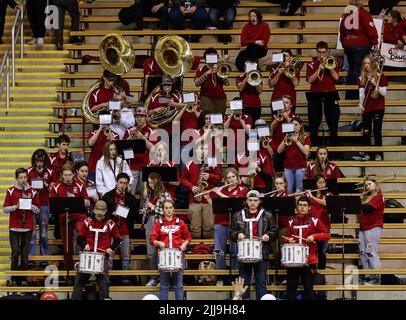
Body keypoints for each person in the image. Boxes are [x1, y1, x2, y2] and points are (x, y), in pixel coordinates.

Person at [229, 190, 277, 300]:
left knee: (261, 283)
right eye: (250, 200)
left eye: (255, 200)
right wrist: (237, 234)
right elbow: (231, 232)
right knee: (244, 284)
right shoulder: (238, 215)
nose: (253, 203)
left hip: (262, 253)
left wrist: (268, 235)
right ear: (246, 201)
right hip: (244, 254)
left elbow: (274, 231)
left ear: (260, 201)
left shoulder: (267, 215)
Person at [72, 200, 121, 300]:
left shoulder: (110, 224)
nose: (99, 216)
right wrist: (85, 245)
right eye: (97, 213)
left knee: (103, 284)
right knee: (79, 282)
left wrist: (111, 248)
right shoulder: (87, 221)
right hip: (88, 256)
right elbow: (79, 238)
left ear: (106, 211)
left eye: (101, 214)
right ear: (94, 210)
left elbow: (117, 239)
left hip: (102, 257)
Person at [284, 196, 330, 300]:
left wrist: (314, 236)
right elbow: (286, 236)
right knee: (291, 290)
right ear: (297, 207)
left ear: (309, 207)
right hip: (293, 261)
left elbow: (327, 235)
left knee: (308, 291)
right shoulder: (291, 221)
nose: (302, 207)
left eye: (305, 205)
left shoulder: (315, 221)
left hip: (309, 260)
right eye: (300, 205)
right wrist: (288, 240)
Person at [210, 168, 248, 285]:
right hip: (220, 222)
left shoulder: (243, 189)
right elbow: (212, 203)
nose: (231, 179)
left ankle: (235, 276)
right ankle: (220, 276)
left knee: (235, 251)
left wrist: (219, 193)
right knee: (219, 251)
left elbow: (234, 201)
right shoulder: (222, 189)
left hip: (235, 225)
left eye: (233, 177)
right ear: (225, 180)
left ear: (237, 177)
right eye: (229, 178)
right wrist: (215, 193)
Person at [50, 164, 90, 271]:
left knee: (83, 236)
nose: (68, 177)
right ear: (62, 176)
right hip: (65, 218)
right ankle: (70, 271)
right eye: (65, 175)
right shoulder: (56, 187)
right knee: (67, 247)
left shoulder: (80, 185)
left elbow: (87, 203)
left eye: (70, 175)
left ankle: (85, 266)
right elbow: (53, 205)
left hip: (78, 217)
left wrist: (76, 199)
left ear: (74, 175)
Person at [3, 168, 40, 285]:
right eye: (21, 178)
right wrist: (15, 206)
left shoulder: (32, 191)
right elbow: (5, 209)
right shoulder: (10, 190)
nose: (23, 180)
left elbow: (38, 210)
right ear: (16, 178)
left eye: (25, 177)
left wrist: (30, 206)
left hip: (27, 226)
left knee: (24, 253)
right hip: (14, 226)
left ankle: (23, 278)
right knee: (15, 252)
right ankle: (14, 278)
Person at [151, 199, 191, 300]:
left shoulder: (180, 222)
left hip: (178, 255)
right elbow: (152, 239)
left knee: (178, 284)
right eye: (166, 208)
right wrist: (158, 243)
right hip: (164, 256)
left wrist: (184, 245)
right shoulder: (158, 223)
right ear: (163, 210)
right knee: (164, 285)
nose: (168, 210)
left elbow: (188, 237)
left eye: (170, 208)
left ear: (173, 209)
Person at [102, 173, 138, 285]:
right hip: (111, 231)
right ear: (116, 183)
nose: (123, 185)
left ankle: (125, 278)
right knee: (109, 256)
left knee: (126, 256)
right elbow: (102, 213)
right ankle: (107, 278)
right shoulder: (107, 196)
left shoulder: (131, 199)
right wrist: (111, 214)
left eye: (125, 183)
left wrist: (124, 212)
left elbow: (135, 215)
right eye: (121, 183)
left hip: (125, 230)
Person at [181, 143, 221, 239]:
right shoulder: (189, 163)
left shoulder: (213, 162)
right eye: (201, 148)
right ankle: (195, 250)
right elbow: (183, 179)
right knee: (195, 228)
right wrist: (191, 187)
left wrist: (209, 176)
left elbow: (219, 178)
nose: (204, 151)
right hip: (194, 199)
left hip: (209, 200)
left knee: (210, 227)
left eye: (206, 148)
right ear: (196, 150)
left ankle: (210, 249)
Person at [340, 0, 378, 99]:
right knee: (358, 69)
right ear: (359, 4)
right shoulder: (363, 13)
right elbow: (370, 29)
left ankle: (349, 95)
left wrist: (345, 44)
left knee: (351, 69)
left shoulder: (346, 15)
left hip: (348, 44)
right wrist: (375, 43)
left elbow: (342, 31)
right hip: (361, 45)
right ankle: (357, 95)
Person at [306, 41, 340, 146]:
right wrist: (319, 69)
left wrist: (329, 68)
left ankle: (334, 152)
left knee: (333, 125)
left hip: (330, 94)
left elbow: (337, 78)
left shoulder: (332, 62)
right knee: (314, 126)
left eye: (324, 52)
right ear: (317, 51)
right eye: (320, 52)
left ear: (327, 52)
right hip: (315, 96)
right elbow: (310, 80)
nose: (322, 54)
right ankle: (314, 150)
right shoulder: (311, 64)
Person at [142, 172, 173, 287]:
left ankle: (163, 278)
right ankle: (153, 278)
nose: (149, 185)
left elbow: (168, 212)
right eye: (148, 183)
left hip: (162, 223)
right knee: (151, 252)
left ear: (156, 182)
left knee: (162, 251)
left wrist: (154, 208)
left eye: (151, 182)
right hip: (151, 222)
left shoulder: (166, 194)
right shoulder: (150, 194)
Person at [27, 149, 57, 262]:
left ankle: (44, 258)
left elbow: (52, 189)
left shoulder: (50, 172)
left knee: (44, 233)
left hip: (44, 204)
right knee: (33, 233)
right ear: (34, 160)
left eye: (41, 161)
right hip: (32, 204)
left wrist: (46, 184)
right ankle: (32, 258)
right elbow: (25, 188)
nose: (39, 164)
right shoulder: (29, 171)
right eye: (37, 161)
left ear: (45, 161)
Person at [358, 55, 388, 161]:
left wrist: (375, 83)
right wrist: (361, 104)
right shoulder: (361, 77)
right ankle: (367, 153)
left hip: (378, 107)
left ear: (373, 64)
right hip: (367, 107)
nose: (366, 66)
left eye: (368, 63)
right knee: (366, 130)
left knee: (376, 130)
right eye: (364, 64)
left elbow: (384, 93)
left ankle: (378, 154)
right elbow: (361, 93)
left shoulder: (380, 75)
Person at [123, 107, 155, 196]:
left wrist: (142, 138)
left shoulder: (152, 130)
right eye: (137, 116)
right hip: (132, 166)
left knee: (145, 195)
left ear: (146, 117)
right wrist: (129, 138)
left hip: (146, 166)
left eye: (142, 116)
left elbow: (154, 149)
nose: (139, 118)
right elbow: (122, 148)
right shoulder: (129, 130)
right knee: (130, 194)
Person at [359, 175, 384, 285]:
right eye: (366, 185)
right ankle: (368, 276)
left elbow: (367, 209)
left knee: (372, 252)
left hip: (373, 227)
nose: (368, 187)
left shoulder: (379, 196)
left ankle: (377, 277)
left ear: (375, 184)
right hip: (363, 227)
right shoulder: (366, 197)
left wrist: (357, 202)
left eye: (370, 184)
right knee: (363, 253)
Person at [305, 175, 332, 270]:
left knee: (322, 252)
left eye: (323, 182)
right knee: (312, 252)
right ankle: (312, 273)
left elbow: (326, 203)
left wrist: (312, 197)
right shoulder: (307, 195)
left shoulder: (328, 194)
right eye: (320, 182)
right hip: (310, 227)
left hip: (324, 227)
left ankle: (321, 274)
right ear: (315, 184)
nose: (322, 184)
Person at [277, 117, 311, 194]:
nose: (294, 126)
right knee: (288, 190)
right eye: (292, 125)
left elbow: (306, 152)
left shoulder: (305, 137)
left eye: (296, 124)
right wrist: (285, 139)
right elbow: (279, 151)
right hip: (288, 168)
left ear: (301, 125)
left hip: (300, 167)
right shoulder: (287, 137)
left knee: (299, 190)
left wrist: (297, 141)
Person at [195, 48, 229, 114]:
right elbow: (196, 84)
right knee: (208, 118)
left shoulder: (221, 68)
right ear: (205, 58)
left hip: (220, 97)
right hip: (206, 97)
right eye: (210, 57)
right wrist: (206, 73)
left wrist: (219, 73)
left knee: (219, 120)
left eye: (214, 56)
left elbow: (227, 83)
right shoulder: (200, 69)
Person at [269, 95, 297, 173]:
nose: (284, 104)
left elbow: (295, 129)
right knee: (278, 172)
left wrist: (287, 117)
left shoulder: (295, 116)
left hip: (290, 147)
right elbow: (271, 128)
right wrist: (278, 118)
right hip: (278, 147)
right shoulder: (275, 115)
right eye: (282, 102)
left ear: (291, 105)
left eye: (287, 102)